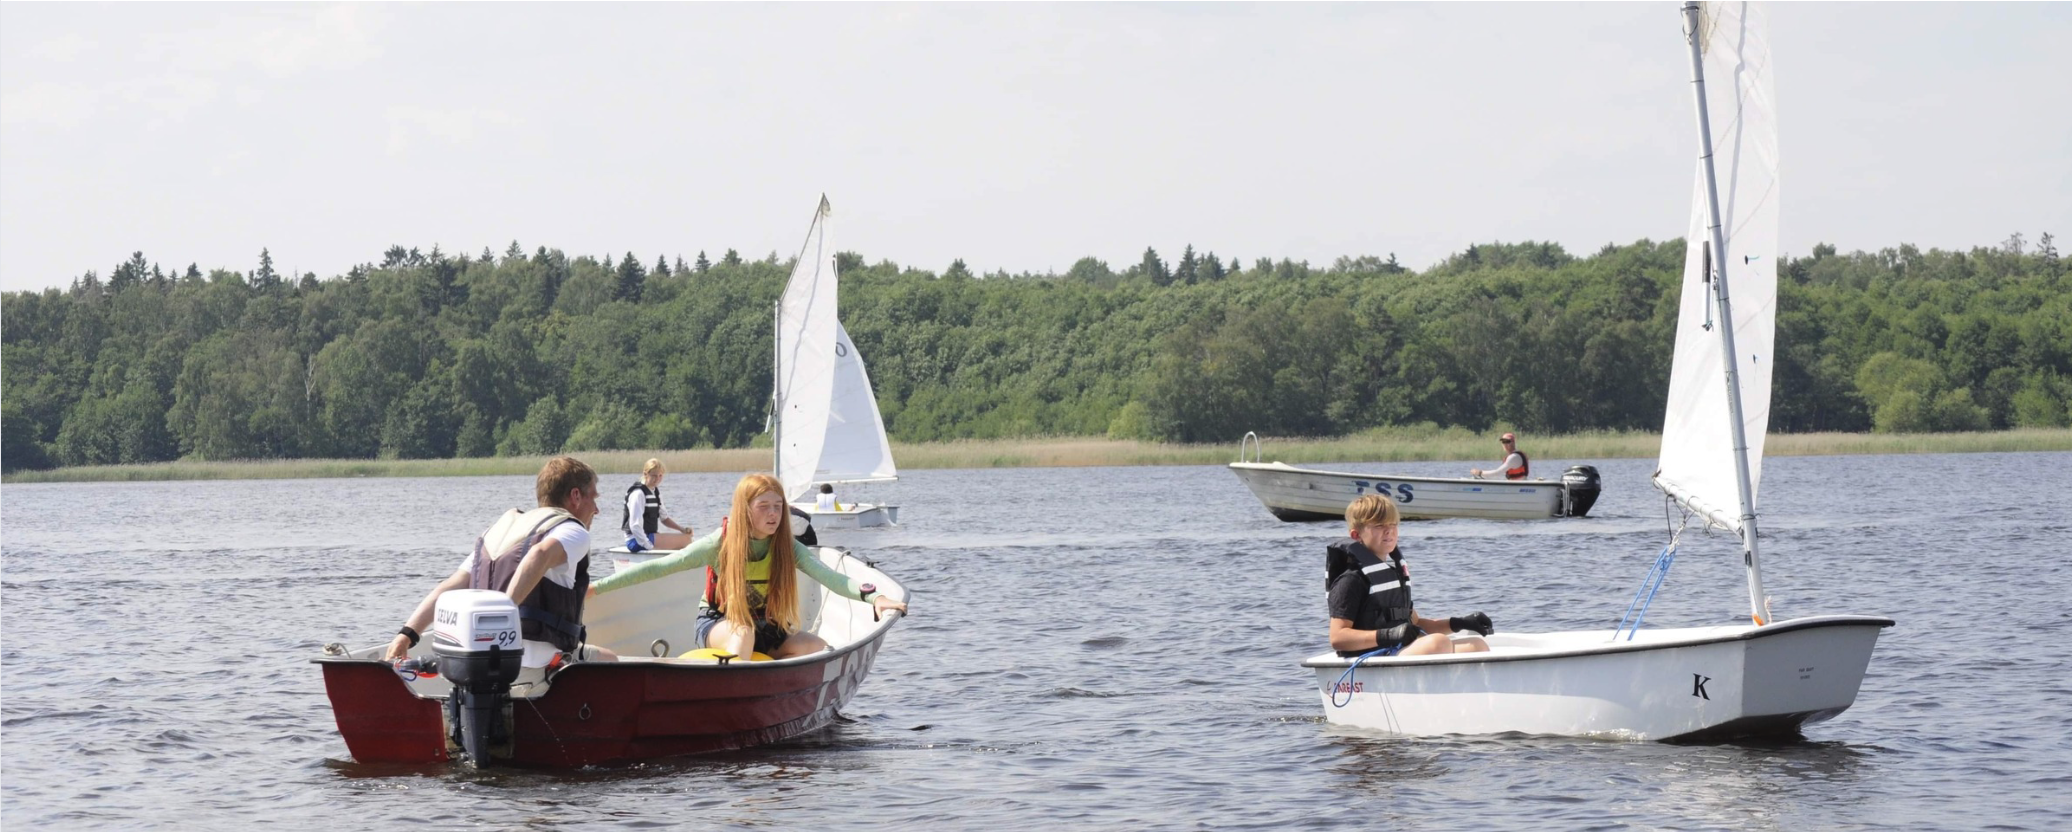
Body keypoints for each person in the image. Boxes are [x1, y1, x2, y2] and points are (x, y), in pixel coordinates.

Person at [591, 473, 905, 659]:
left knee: (816, 646)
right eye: (764, 506)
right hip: (719, 624)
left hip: (768, 628)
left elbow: (831, 577)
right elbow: (659, 568)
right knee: (743, 634)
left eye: (778, 506)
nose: (773, 514)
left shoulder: (787, 547)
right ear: (746, 510)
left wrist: (874, 598)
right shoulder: (720, 544)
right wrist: (598, 588)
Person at [385, 456, 620, 667]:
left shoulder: (498, 532)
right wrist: (503, 615)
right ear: (576, 496)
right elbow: (539, 554)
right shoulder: (572, 530)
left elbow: (451, 585)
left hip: (485, 658)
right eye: (594, 497)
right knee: (611, 660)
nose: (597, 509)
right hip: (540, 661)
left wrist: (406, 634)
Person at [1326, 494, 1492, 658]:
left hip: (1397, 651)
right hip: (1371, 658)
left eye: (1393, 524)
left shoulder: (1392, 576)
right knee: (1438, 643)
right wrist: (1389, 635)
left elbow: (1416, 624)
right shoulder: (1351, 581)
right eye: (1379, 525)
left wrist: (1459, 623)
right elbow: (1338, 637)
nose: (1389, 530)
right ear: (1356, 535)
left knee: (1476, 645)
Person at [622, 458, 692, 552]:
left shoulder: (655, 492)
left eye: (660, 475)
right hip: (635, 540)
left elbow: (664, 518)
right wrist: (649, 546)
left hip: (648, 537)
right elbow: (635, 526)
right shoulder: (638, 494)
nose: (657, 479)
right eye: (654, 475)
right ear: (645, 474)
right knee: (686, 540)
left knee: (686, 536)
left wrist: (682, 529)